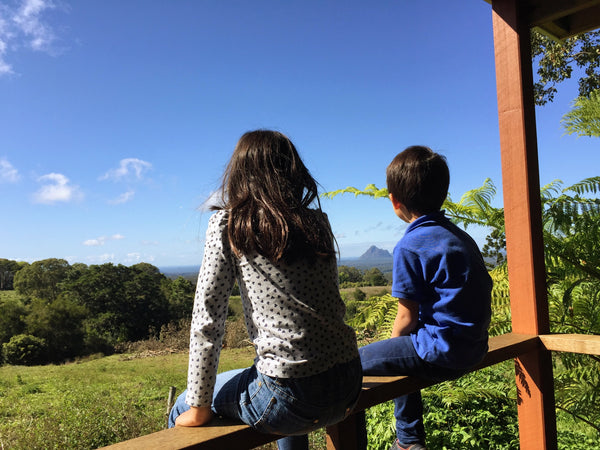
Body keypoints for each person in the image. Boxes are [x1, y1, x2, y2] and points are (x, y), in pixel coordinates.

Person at [168, 130, 362, 450]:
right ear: (294, 172)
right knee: (277, 376)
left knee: (183, 406)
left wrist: (199, 407)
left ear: (240, 174)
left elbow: (208, 320)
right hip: (348, 382)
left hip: (290, 395)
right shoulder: (317, 223)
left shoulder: (230, 224)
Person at [359, 146, 493, 450]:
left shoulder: (410, 245)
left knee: (351, 362)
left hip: (444, 352)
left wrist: (393, 345)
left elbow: (405, 321)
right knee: (405, 353)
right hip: (475, 347)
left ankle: (407, 441)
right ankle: (408, 438)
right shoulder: (461, 237)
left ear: (395, 202)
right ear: (443, 194)